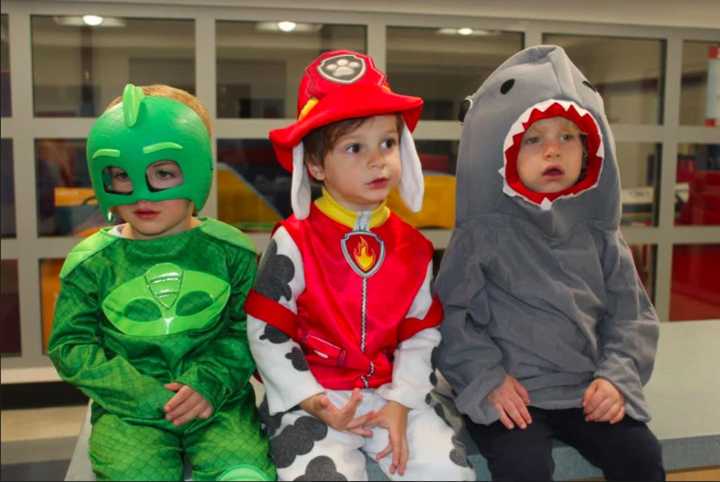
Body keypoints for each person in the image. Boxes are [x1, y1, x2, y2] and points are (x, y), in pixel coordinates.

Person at [434, 45, 666, 482]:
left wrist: (616, 379)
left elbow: (632, 318)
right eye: (534, 139)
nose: (553, 151)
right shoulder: (482, 235)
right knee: (524, 467)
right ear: (505, 153)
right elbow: (451, 319)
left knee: (641, 456)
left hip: (587, 391)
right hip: (511, 393)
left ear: (590, 150)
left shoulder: (601, 236)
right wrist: (486, 379)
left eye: (567, 137)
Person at [244, 50, 476, 481]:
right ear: (315, 165)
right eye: (355, 147)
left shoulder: (415, 247)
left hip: (392, 395)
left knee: (447, 471)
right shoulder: (293, 240)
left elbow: (421, 332)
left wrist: (401, 402)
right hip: (316, 398)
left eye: (387, 143)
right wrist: (313, 400)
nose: (377, 160)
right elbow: (267, 332)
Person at [48, 84, 275, 481]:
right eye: (122, 175)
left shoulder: (229, 251)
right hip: (129, 415)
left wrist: (209, 382)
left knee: (246, 474)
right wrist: (142, 396)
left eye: (164, 172)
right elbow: (71, 346)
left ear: (197, 167)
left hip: (217, 404)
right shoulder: (93, 263)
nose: (142, 194)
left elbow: (247, 329)